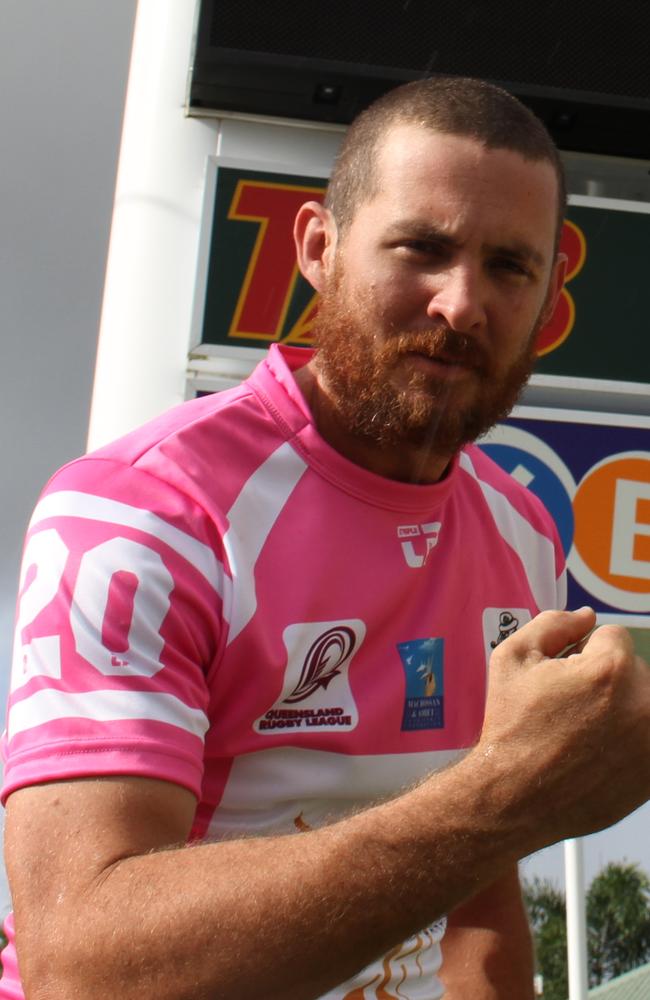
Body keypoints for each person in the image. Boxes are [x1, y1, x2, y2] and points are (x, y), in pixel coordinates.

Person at [2, 76, 649, 1000]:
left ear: (549, 299)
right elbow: (84, 964)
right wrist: (507, 795)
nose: (462, 304)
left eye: (510, 267)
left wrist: (496, 810)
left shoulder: (523, 531)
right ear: (318, 247)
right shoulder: (145, 512)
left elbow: (478, 901)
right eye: (422, 247)